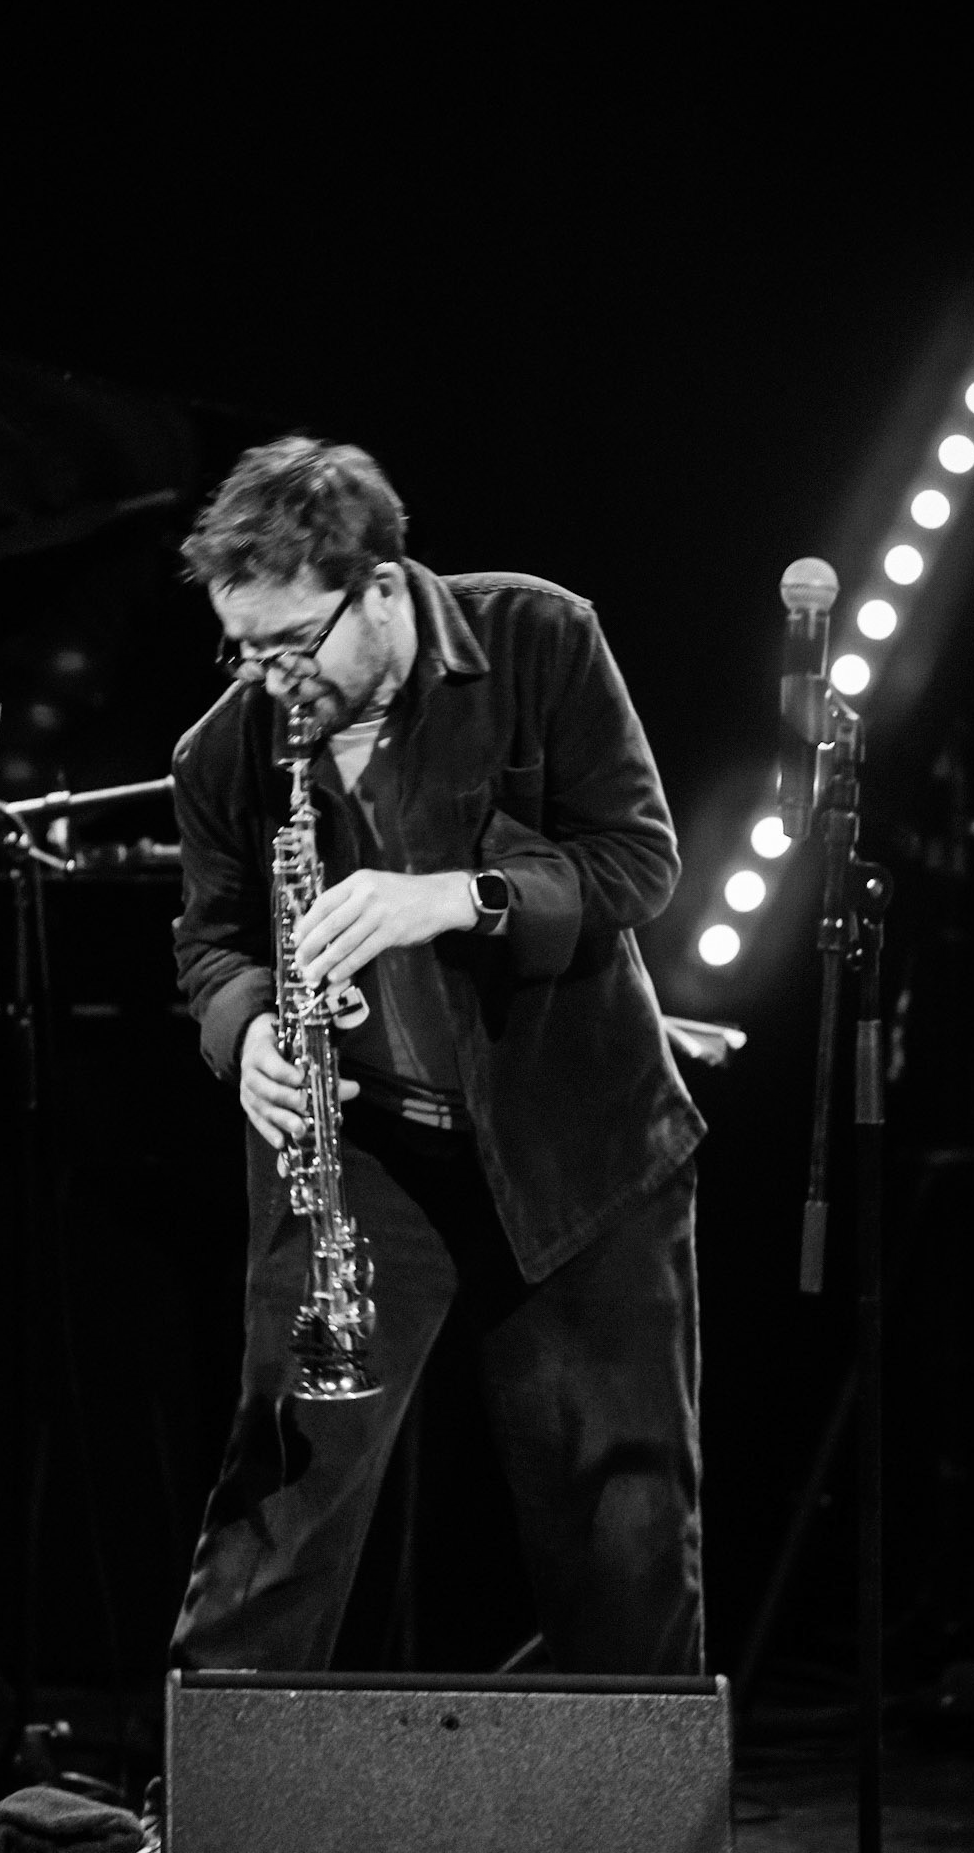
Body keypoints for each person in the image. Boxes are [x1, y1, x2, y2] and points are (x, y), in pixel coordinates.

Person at [167, 434, 707, 1676]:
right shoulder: (223, 750)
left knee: (621, 1523)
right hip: (363, 1155)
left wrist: (456, 895)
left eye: (293, 645)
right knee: (279, 1504)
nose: (268, 682)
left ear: (386, 587)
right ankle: (215, 1806)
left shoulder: (539, 638)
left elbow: (638, 862)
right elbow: (207, 945)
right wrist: (243, 1026)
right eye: (242, 649)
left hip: (579, 1149)